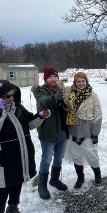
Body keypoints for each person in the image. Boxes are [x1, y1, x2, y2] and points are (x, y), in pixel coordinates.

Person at [0, 80, 50, 213]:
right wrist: (0, 111)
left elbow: (31, 123)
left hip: (20, 154)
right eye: (6, 96)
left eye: (13, 95)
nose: (11, 98)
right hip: (3, 158)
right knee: (3, 186)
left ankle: (12, 207)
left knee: (17, 182)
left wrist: (41, 116)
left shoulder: (18, 109)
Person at [32, 67, 69, 199]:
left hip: (63, 132)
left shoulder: (61, 90)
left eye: (55, 77)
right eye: (50, 77)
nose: (53, 79)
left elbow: (68, 108)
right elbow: (43, 102)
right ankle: (42, 186)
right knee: (46, 160)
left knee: (58, 158)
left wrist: (66, 104)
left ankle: (54, 180)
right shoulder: (40, 91)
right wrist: (55, 98)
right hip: (48, 132)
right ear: (46, 79)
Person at [65, 71, 103, 188]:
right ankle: (80, 178)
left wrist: (95, 133)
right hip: (73, 130)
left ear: (86, 82)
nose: (81, 83)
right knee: (76, 155)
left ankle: (97, 174)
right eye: (78, 81)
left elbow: (98, 114)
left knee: (91, 154)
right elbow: (65, 111)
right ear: (75, 82)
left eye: (83, 81)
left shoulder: (92, 94)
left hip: (87, 130)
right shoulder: (70, 94)